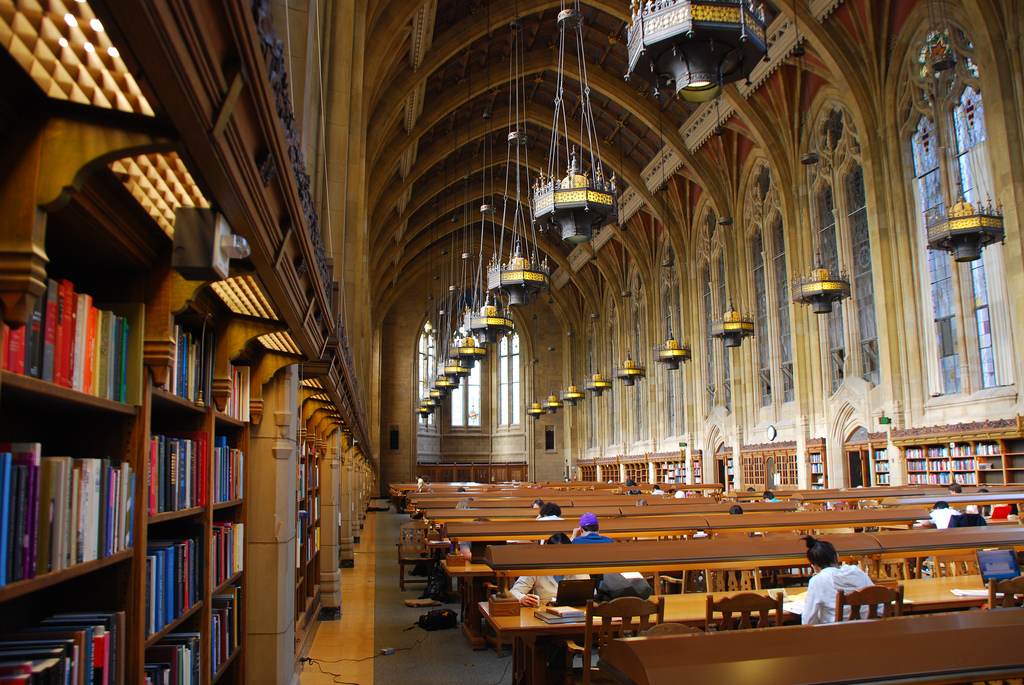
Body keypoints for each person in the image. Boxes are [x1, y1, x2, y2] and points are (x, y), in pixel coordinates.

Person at [801, 535, 874, 624]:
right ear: (837, 557)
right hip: (868, 632)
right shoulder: (859, 573)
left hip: (835, 635)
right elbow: (879, 606)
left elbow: (808, 620)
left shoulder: (818, 580)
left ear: (814, 567)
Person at [509, 533, 587, 605]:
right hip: (544, 611)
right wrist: (522, 598)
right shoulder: (537, 567)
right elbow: (514, 592)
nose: (560, 558)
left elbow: (589, 593)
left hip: (573, 612)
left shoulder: (577, 567)